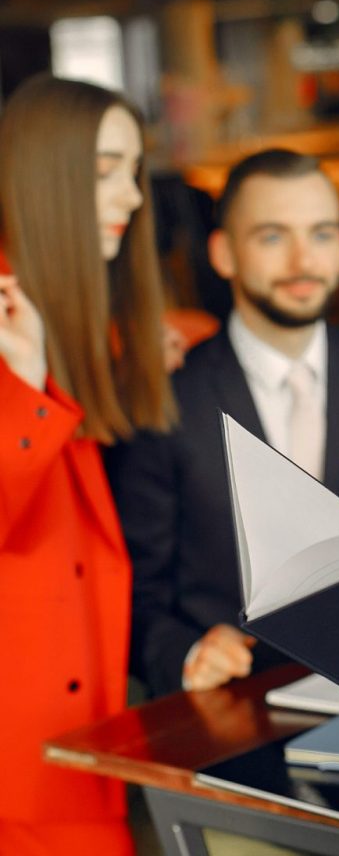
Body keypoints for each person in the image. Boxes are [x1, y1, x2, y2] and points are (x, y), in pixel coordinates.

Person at [106, 148, 339, 697]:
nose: (303, 260)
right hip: (231, 704)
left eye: (323, 234)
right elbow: (132, 592)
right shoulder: (166, 402)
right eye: (271, 237)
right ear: (224, 254)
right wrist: (187, 653)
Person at [0, 74, 175, 855]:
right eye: (105, 169)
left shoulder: (77, 325)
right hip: (22, 771)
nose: (132, 195)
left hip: (82, 744)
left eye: (133, 171)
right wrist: (28, 385)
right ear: (43, 177)